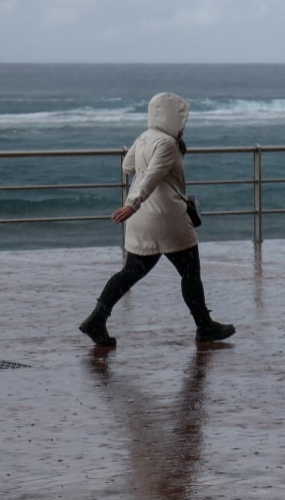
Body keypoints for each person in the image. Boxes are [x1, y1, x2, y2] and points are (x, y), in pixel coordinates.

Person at [79, 92, 235, 346]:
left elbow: (128, 167)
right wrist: (131, 204)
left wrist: (135, 203)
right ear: (173, 117)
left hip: (142, 220)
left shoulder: (144, 137)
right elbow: (152, 176)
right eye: (182, 118)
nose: (184, 124)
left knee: (129, 273)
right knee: (190, 274)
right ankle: (204, 326)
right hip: (168, 219)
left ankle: (97, 319)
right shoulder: (167, 144)